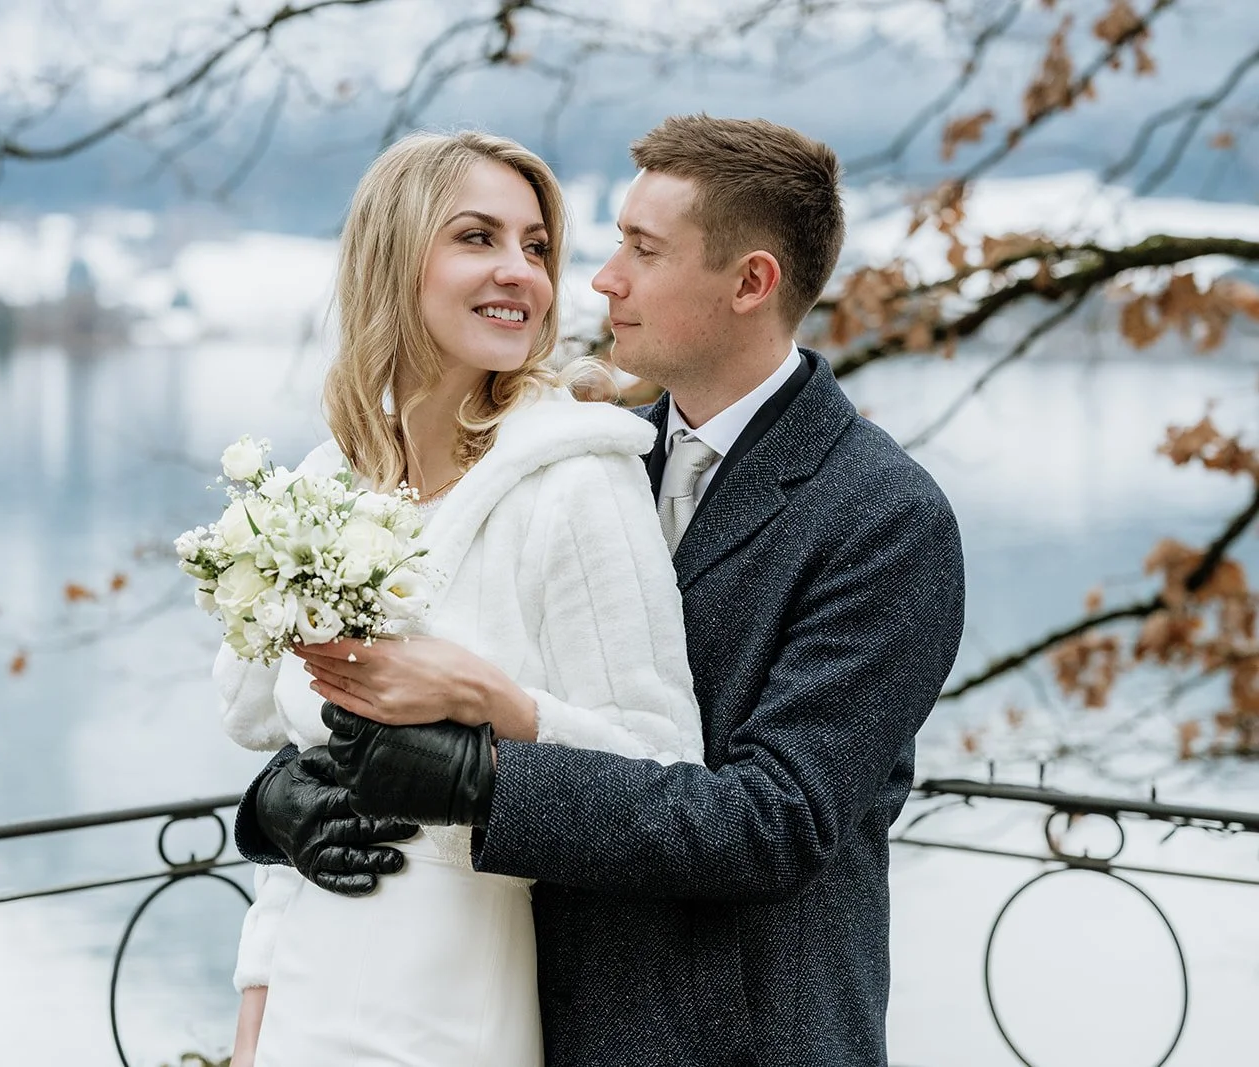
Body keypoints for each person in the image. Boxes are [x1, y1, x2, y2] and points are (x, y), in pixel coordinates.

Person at [243, 115, 968, 1066]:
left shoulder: (883, 515)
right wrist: (277, 798)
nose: (601, 279)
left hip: (728, 1043)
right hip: (518, 1010)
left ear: (751, 282)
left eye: (643, 250)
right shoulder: (581, 449)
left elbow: (774, 823)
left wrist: (483, 772)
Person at [214, 130, 704, 1067]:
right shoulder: (324, 490)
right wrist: (255, 1015)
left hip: (454, 987)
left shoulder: (576, 474)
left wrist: (492, 707)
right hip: (306, 988)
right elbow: (308, 776)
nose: (521, 271)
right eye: (478, 237)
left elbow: (661, 764)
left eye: (536, 247)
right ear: (395, 259)